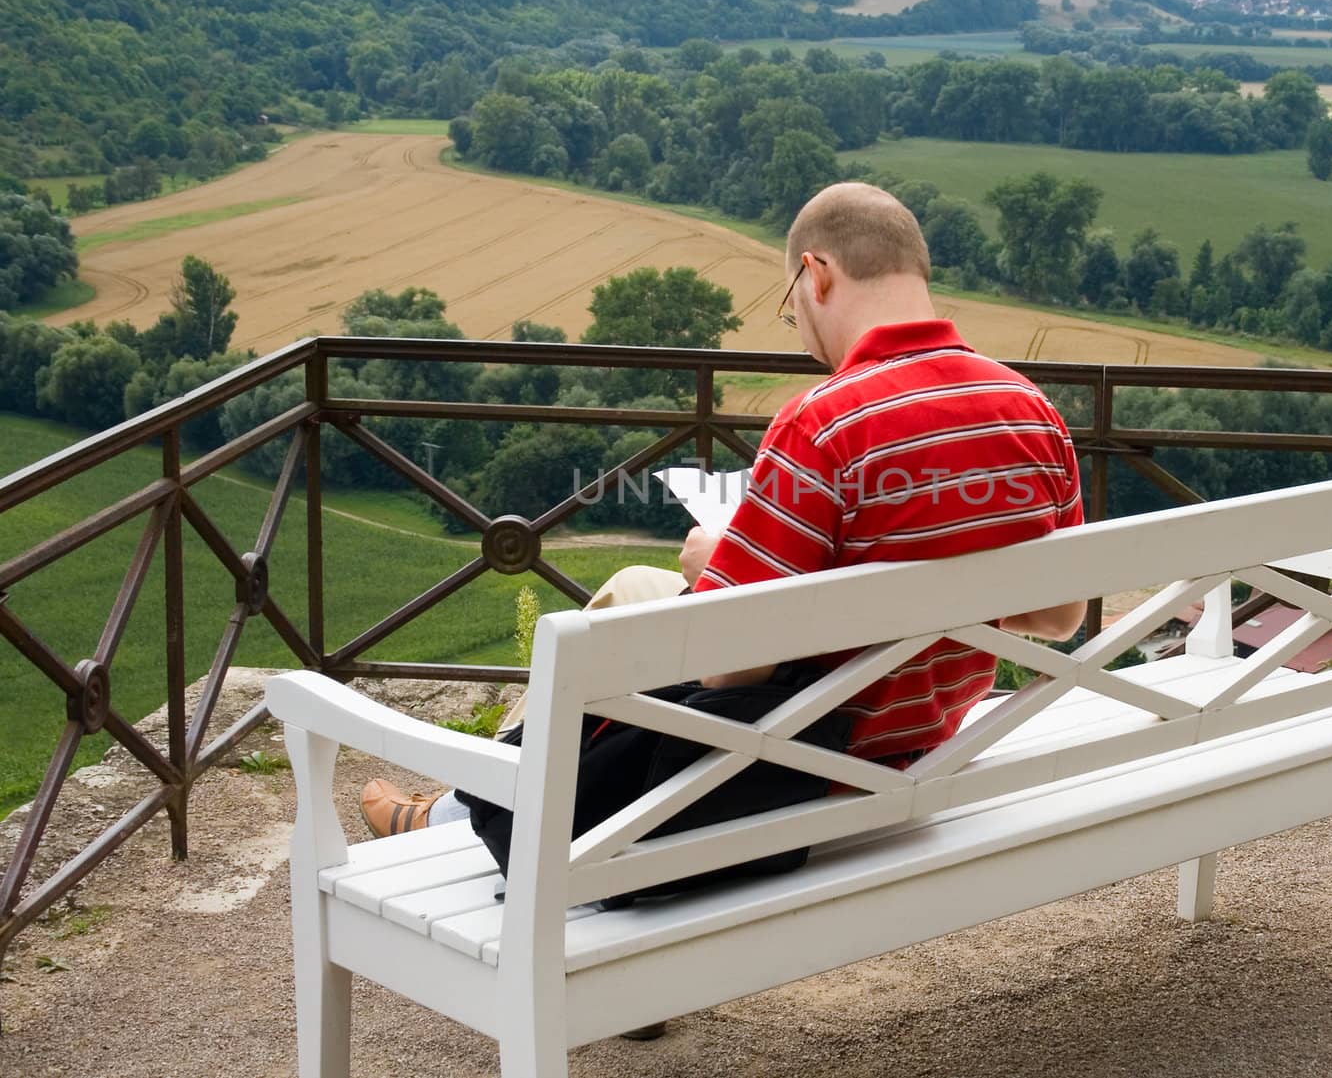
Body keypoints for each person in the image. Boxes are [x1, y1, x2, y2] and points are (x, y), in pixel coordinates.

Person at [362, 180, 1084, 832]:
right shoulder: (1030, 410)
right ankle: (468, 804)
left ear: (817, 274)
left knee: (632, 611)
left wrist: (717, 558)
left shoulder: (825, 422)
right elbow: (1059, 617)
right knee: (635, 590)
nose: (801, 334)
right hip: (936, 730)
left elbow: (725, 670)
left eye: (790, 310)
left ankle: (472, 807)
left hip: (819, 760)